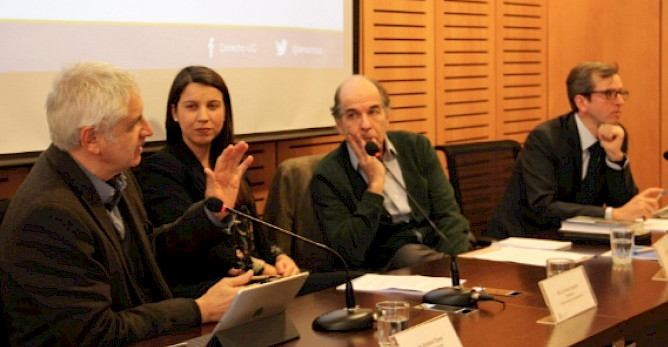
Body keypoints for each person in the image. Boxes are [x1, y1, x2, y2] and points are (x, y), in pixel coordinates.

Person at [0, 62, 253, 347]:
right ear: (92, 139)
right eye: (133, 123)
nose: (148, 129)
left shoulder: (118, 179)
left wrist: (212, 210)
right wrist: (198, 310)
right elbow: (97, 333)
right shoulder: (49, 214)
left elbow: (148, 253)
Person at [137, 66, 300, 296]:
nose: (203, 117)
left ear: (225, 111)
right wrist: (262, 267)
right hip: (209, 290)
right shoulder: (160, 169)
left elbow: (255, 230)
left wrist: (279, 257)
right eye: (192, 107)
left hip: (257, 281)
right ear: (174, 112)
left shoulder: (229, 159)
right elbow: (179, 249)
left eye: (213, 106)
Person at [310, 75, 471, 272]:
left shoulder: (416, 147)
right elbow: (348, 251)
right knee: (410, 254)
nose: (366, 125)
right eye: (353, 115)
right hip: (386, 267)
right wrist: (375, 186)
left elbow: (449, 215)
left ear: (387, 115)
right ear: (339, 124)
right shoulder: (328, 175)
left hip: (435, 250)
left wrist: (456, 264)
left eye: (373, 112)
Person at [486, 61, 663, 239]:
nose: (620, 102)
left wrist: (615, 157)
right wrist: (612, 215)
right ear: (581, 102)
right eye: (609, 94)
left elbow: (623, 206)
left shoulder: (615, 134)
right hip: (524, 239)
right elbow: (543, 206)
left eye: (621, 93)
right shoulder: (546, 138)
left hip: (575, 238)